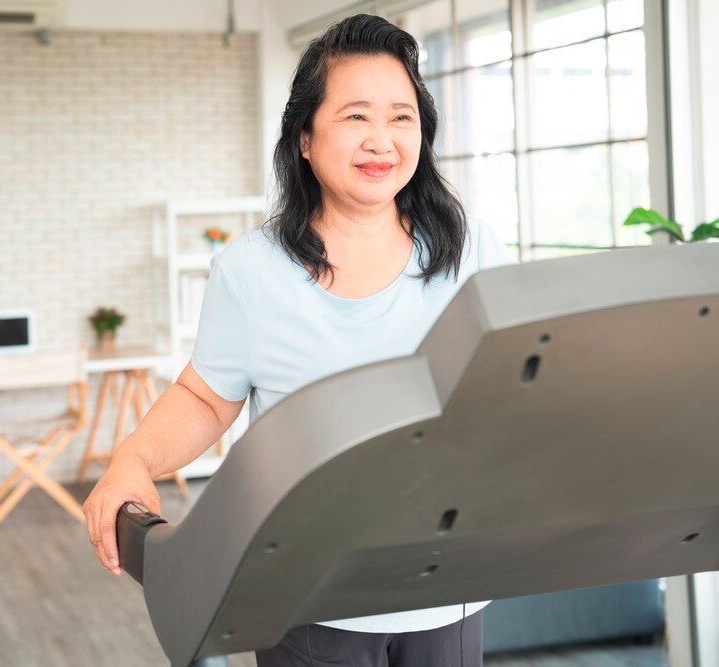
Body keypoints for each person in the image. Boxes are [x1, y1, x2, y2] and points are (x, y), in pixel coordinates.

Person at [84, 13, 515, 666]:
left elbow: (514, 387)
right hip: (306, 595)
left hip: (445, 584)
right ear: (305, 137)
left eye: (402, 117)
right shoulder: (251, 269)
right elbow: (205, 397)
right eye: (356, 115)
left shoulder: (473, 249)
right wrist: (132, 459)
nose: (381, 139)